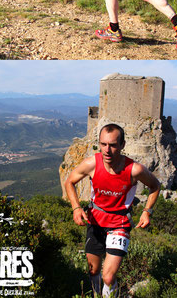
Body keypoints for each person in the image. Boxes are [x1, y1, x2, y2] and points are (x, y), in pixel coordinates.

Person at [65, 123, 161, 298]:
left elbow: (155, 186)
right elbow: (69, 181)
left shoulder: (134, 169)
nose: (107, 150)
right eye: (103, 144)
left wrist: (147, 211)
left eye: (113, 145)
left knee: (108, 276)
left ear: (122, 145)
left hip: (120, 224)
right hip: (95, 221)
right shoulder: (92, 164)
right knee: (93, 271)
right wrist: (76, 208)